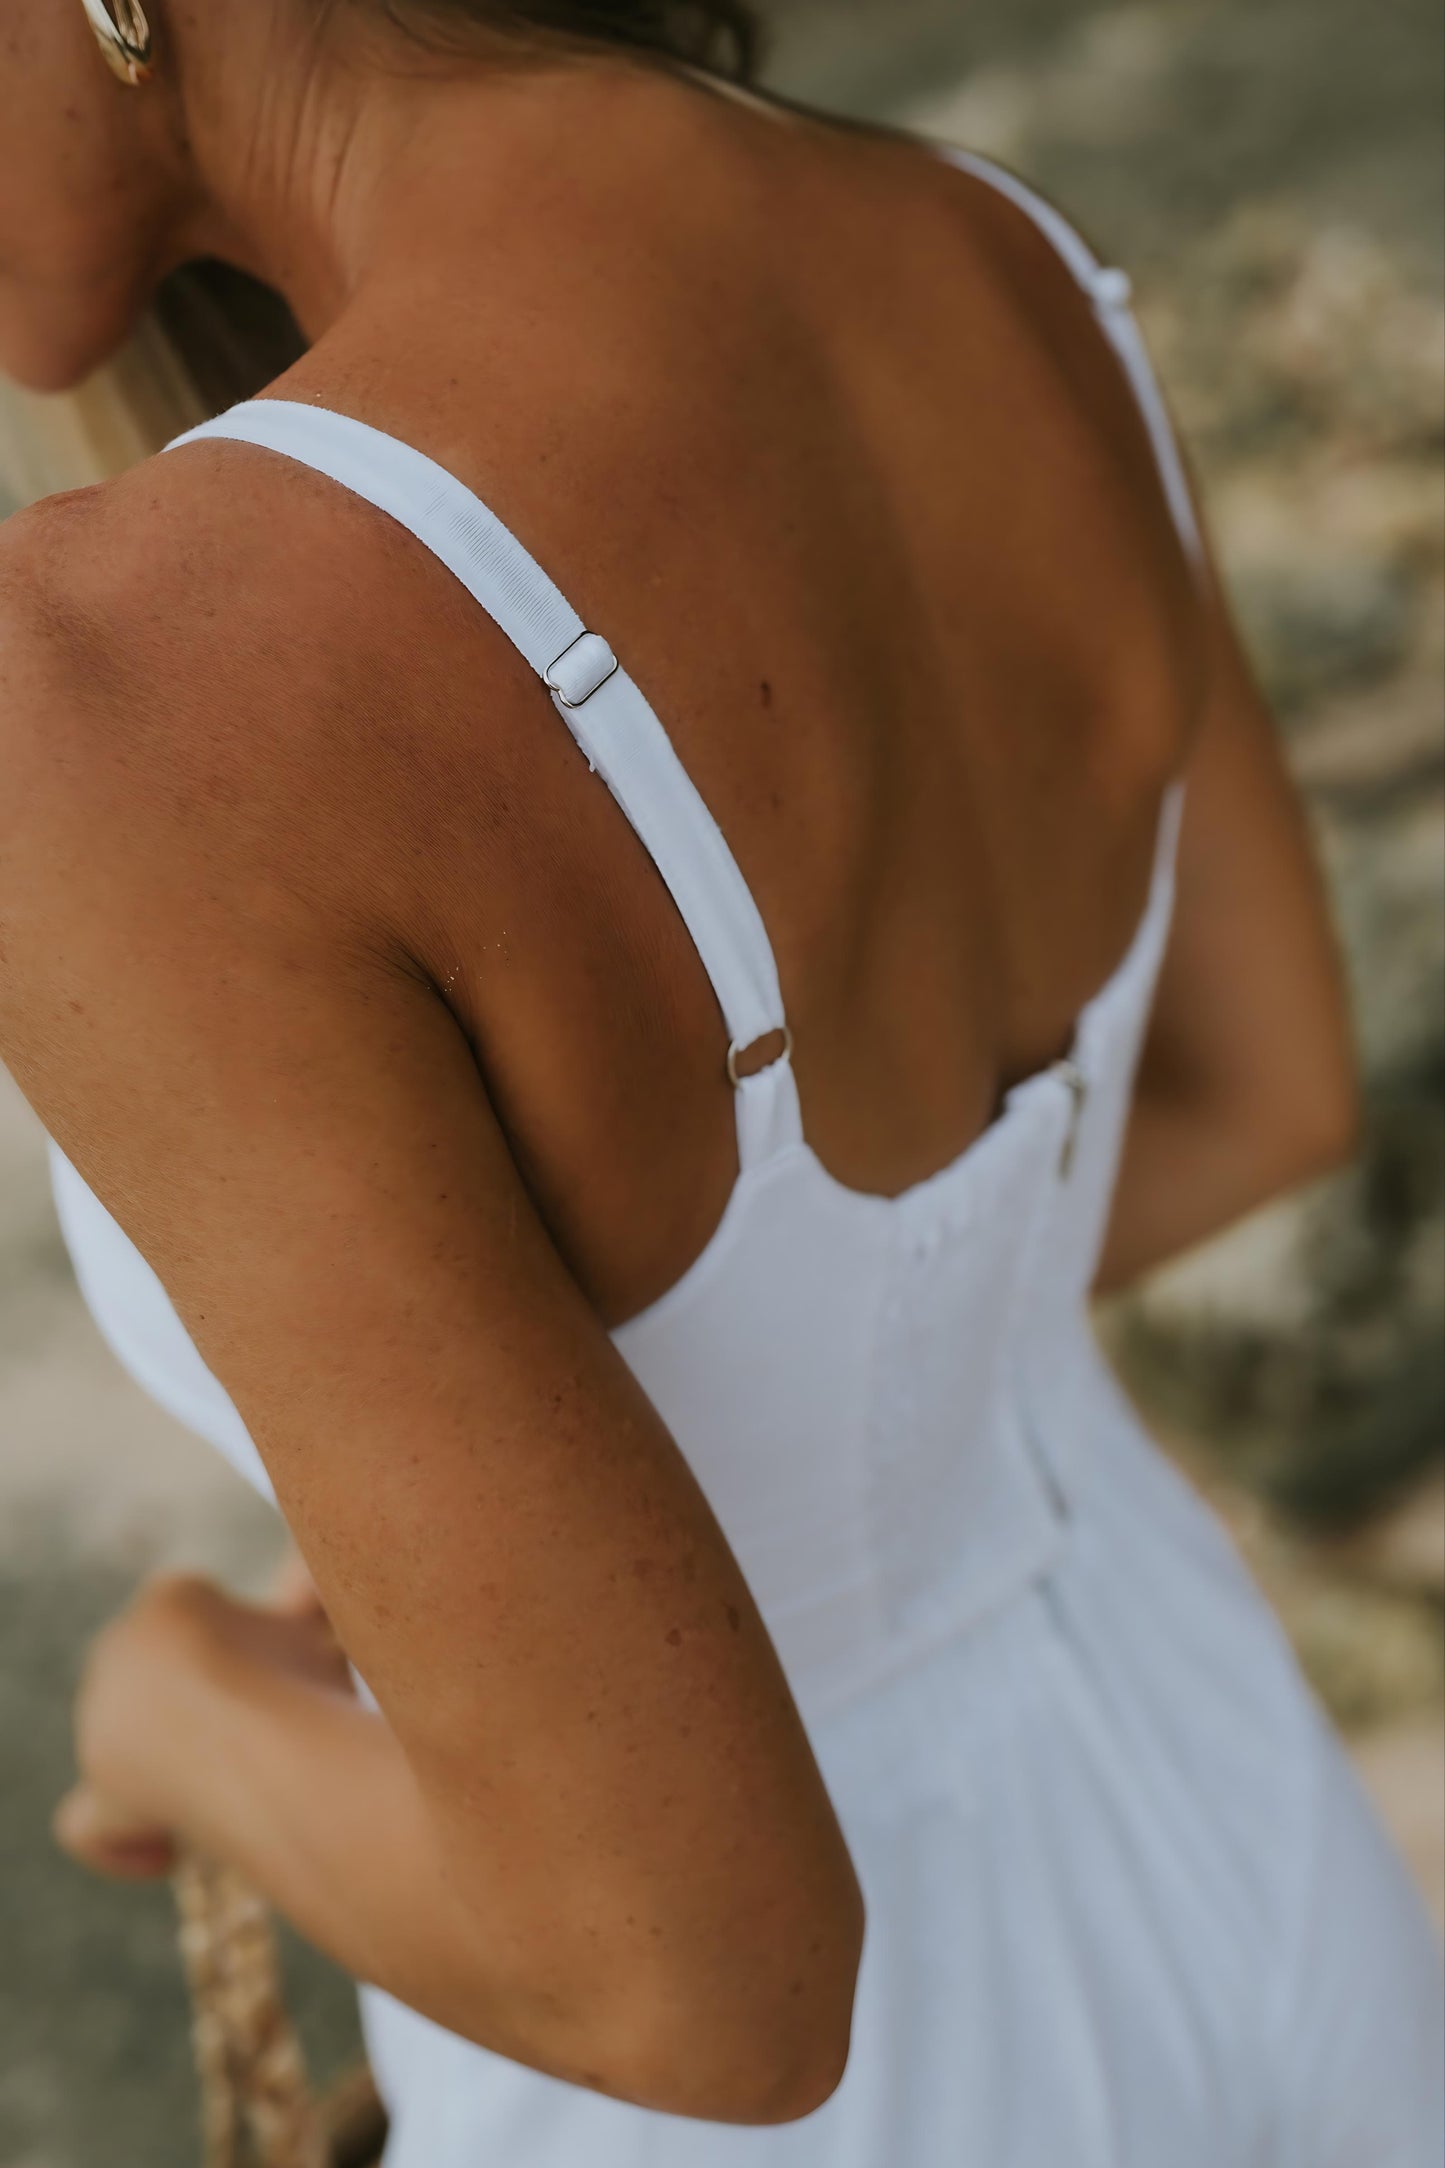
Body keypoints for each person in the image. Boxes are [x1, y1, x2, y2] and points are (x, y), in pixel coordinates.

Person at [0, 2, 1440, 2162]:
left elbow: (694, 1981)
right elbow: (1266, 1097)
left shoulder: (116, 692)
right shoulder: (984, 250)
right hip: (1257, 1858)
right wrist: (575, 1549)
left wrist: (176, 1703)